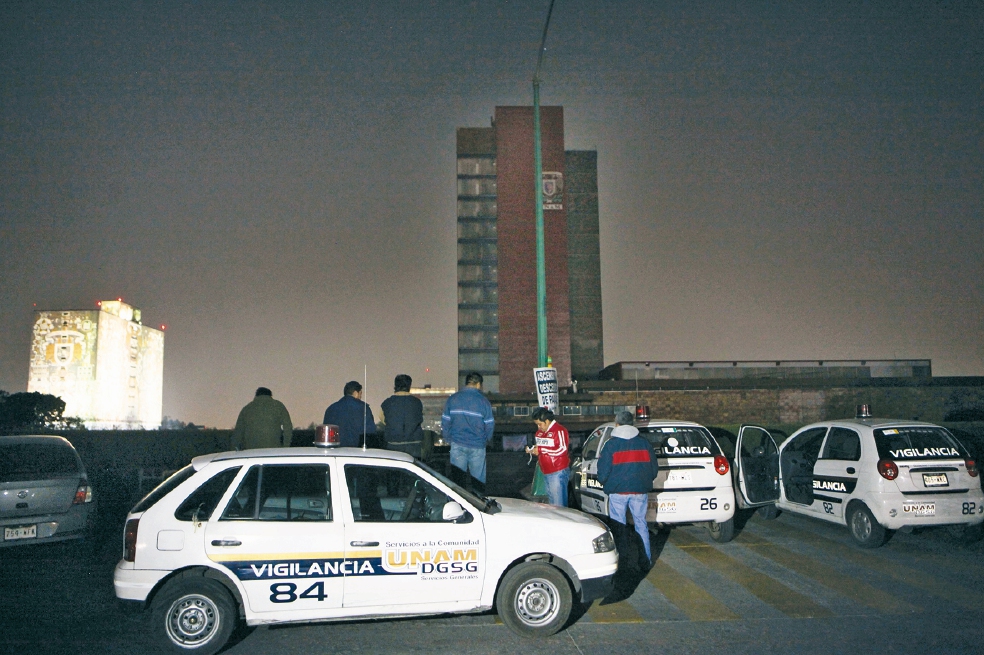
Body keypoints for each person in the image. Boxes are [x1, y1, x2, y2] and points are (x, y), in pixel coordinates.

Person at [597, 410, 659, 570]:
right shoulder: (644, 443)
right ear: (632, 424)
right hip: (640, 492)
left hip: (618, 492)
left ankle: (623, 562)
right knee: (641, 524)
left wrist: (604, 482)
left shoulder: (610, 445)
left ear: (616, 425)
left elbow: (603, 473)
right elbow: (653, 470)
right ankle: (645, 561)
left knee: (619, 526)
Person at [441, 372, 494, 490]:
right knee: (478, 482)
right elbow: (489, 426)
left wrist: (449, 439)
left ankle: (458, 506)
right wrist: (485, 440)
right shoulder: (484, 401)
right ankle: (477, 505)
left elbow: (445, 423)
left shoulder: (453, 399)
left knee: (458, 482)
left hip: (457, 444)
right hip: (477, 446)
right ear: (479, 384)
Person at [527, 407, 571, 507]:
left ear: (547, 421)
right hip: (546, 471)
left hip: (557, 471)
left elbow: (562, 450)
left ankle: (561, 522)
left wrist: (541, 449)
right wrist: (533, 449)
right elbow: (541, 448)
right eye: (537, 424)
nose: (538, 427)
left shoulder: (559, 430)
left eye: (540, 424)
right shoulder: (539, 433)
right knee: (553, 505)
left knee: (558, 506)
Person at [379, 374, 424, 459]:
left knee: (395, 470)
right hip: (414, 443)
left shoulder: (387, 403)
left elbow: (383, 419)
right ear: (409, 386)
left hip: (393, 443)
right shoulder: (417, 402)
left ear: (395, 386)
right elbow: (420, 418)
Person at [323, 381, 378, 448]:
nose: (360, 397)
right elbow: (370, 432)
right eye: (360, 394)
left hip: (335, 451)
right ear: (355, 393)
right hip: (356, 452)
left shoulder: (331, 409)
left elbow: (325, 433)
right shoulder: (364, 408)